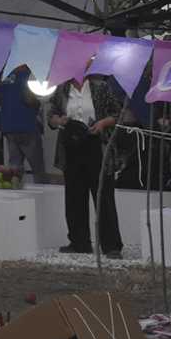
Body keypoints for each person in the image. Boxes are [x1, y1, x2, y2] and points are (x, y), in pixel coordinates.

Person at [46, 75, 124, 257]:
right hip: (71, 146)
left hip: (96, 145)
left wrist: (103, 123)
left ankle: (112, 246)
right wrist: (59, 121)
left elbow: (117, 114)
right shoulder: (61, 89)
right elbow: (50, 116)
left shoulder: (101, 87)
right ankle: (79, 242)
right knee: (74, 196)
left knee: (103, 196)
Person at [0, 64, 48, 183]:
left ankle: (15, 195)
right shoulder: (29, 77)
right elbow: (29, 99)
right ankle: (43, 197)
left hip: (9, 126)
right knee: (38, 168)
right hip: (27, 125)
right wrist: (39, 102)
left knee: (14, 168)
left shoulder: (5, 77)